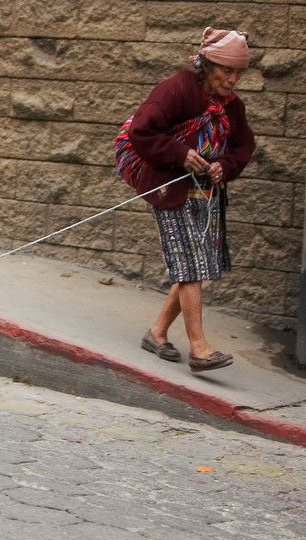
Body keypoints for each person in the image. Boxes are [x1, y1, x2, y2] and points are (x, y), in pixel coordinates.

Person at [115, 27, 255, 372]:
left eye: (238, 72)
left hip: (206, 194)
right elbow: (142, 131)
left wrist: (225, 165)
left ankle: (157, 332)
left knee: (196, 263)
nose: (233, 79)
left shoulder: (231, 106)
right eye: (226, 70)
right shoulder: (175, 90)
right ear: (206, 65)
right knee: (191, 265)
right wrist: (180, 154)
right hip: (169, 187)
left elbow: (243, 146)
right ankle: (200, 348)